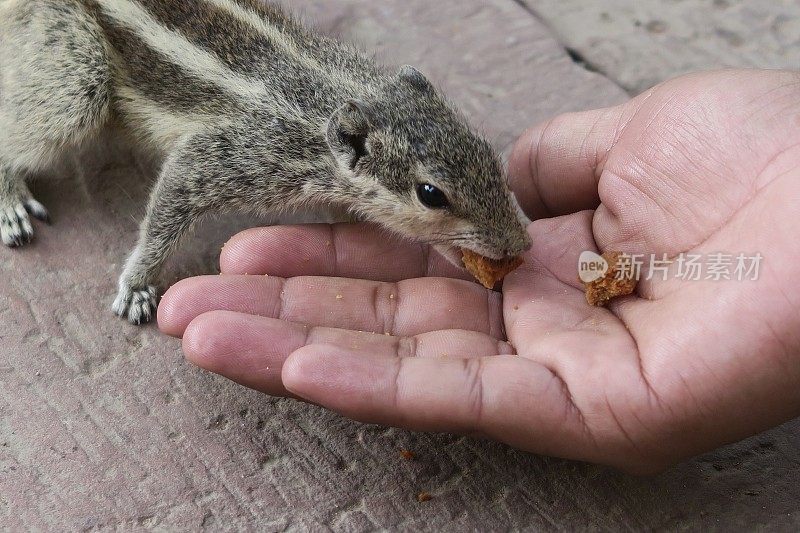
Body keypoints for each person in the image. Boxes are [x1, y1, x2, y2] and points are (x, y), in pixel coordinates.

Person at [157, 70, 800, 473]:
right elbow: (187, 176)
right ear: (350, 152)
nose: (508, 237)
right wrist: (143, 270)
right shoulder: (287, 156)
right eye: (432, 199)